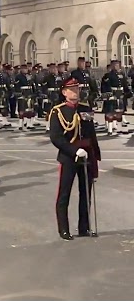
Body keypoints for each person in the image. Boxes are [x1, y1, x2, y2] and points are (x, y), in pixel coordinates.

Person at [49, 77, 101, 240]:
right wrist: (74, 150)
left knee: (85, 193)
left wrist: (95, 153)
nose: (76, 92)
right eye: (72, 89)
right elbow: (56, 138)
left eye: (77, 89)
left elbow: (91, 134)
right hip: (69, 156)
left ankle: (84, 227)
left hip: (86, 155)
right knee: (64, 193)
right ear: (64, 92)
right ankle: (63, 229)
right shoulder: (58, 111)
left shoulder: (85, 108)